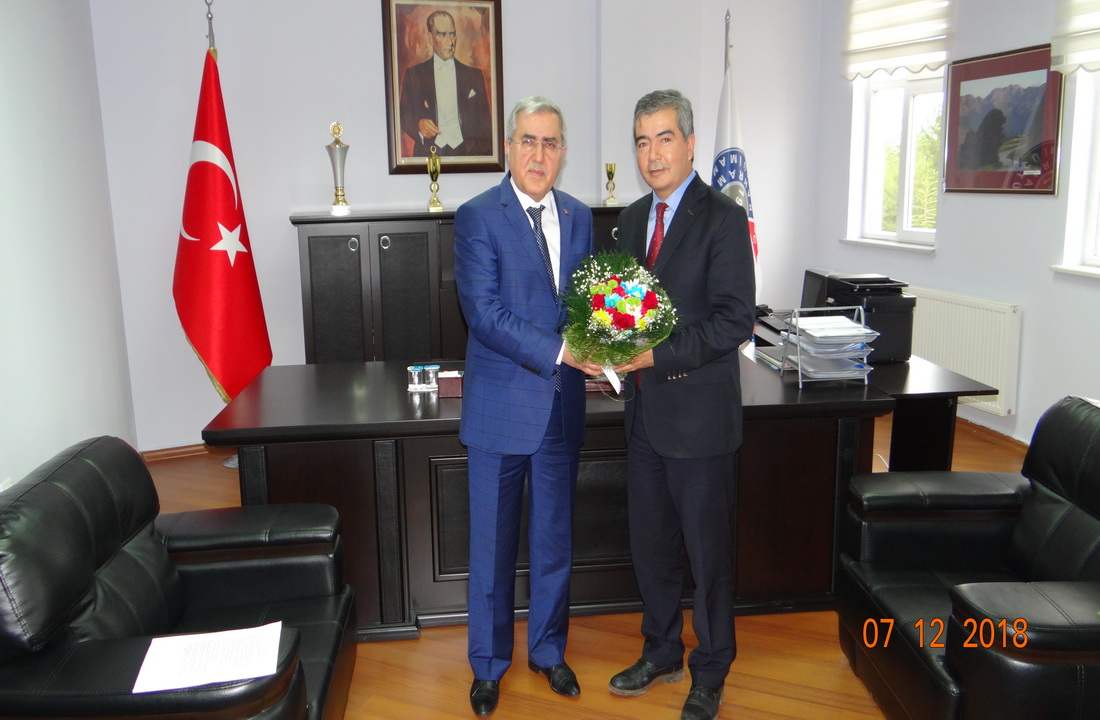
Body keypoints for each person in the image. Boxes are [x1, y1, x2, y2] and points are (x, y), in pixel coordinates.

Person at [607, 89, 756, 720]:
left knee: (707, 555)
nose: (652, 154)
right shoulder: (630, 219)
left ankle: (712, 668)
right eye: (642, 141)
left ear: (690, 144)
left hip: (699, 420)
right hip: (644, 416)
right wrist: (604, 345)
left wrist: (653, 355)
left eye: (664, 139)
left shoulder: (723, 216)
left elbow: (734, 321)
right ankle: (662, 650)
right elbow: (621, 311)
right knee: (652, 548)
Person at [453, 96, 602, 717]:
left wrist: (611, 344)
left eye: (550, 142)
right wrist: (565, 351)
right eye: (528, 141)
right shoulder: (477, 216)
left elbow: (587, 304)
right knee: (491, 549)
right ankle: (488, 665)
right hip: (499, 409)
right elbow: (484, 313)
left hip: (561, 409)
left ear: (563, 152)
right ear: (508, 148)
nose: (539, 154)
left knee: (553, 543)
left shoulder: (580, 216)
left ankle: (547, 651)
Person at [399, 10, 492, 157]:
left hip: (467, 153)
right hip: (428, 153)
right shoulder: (414, 75)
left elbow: (485, 124)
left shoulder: (474, 76)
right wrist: (419, 125)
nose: (450, 42)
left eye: (452, 34)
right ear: (430, 38)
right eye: (442, 35)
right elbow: (403, 115)